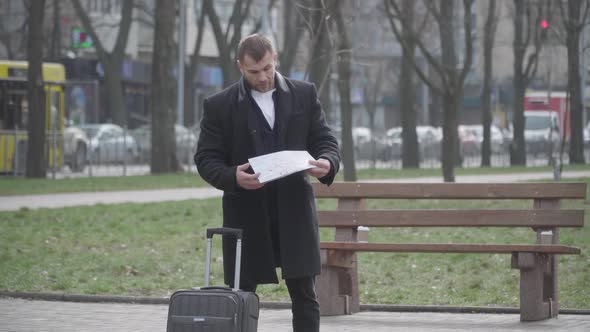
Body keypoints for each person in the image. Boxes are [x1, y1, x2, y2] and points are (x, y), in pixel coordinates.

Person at [194, 33, 340, 331]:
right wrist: (232, 176)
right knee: (242, 294)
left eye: (268, 68)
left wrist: (327, 162)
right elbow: (206, 159)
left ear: (276, 60)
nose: (263, 77)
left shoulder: (304, 94)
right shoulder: (219, 106)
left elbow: (325, 140)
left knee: (305, 293)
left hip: (294, 211)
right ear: (239, 67)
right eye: (254, 72)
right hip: (245, 213)